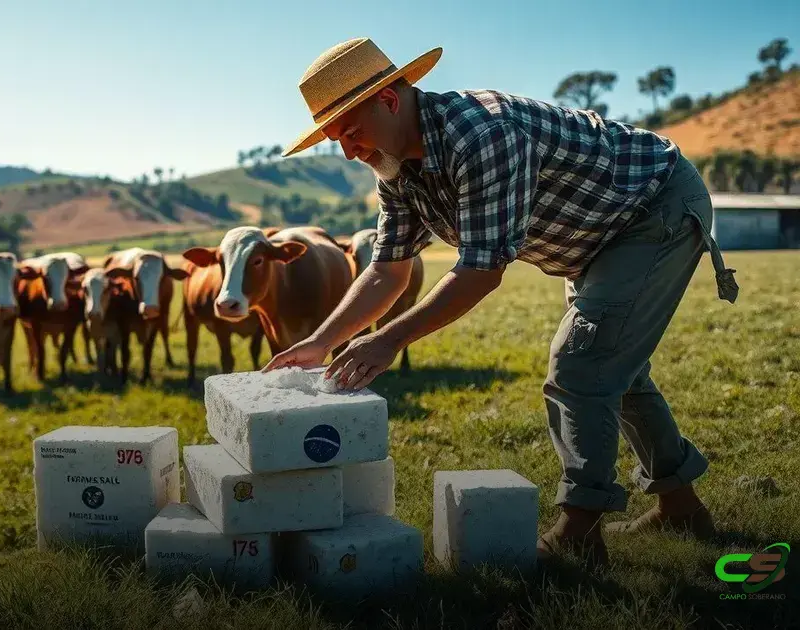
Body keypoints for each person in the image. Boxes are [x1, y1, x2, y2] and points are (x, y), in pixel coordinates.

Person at [263, 37, 737, 567]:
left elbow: (482, 272)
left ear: (390, 101)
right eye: (336, 140)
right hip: (595, 238)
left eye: (352, 132)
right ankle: (682, 508)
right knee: (615, 368)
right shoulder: (394, 164)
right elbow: (387, 269)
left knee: (582, 366)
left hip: (653, 206)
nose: (351, 151)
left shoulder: (481, 134)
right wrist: (320, 341)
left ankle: (578, 533)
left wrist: (389, 338)